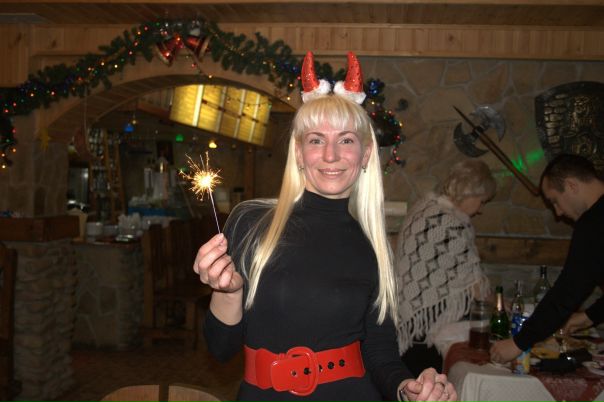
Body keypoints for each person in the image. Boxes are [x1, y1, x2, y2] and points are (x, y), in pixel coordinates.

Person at [193, 51, 457, 402]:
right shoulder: (251, 222)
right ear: (299, 153)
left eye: (346, 140)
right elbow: (220, 349)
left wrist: (405, 388)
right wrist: (228, 292)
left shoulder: (372, 245)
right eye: (316, 140)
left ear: (365, 154)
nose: (331, 155)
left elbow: (379, 351)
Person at [490, 153, 604, 363]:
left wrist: (518, 342)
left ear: (571, 186)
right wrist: (589, 316)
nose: (558, 212)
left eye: (555, 201)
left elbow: (568, 291)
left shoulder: (593, 224)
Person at [395, 159, 495, 376]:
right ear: (470, 193)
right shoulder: (449, 223)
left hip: (415, 319)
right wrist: (496, 306)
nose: (481, 209)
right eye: (481, 201)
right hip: (425, 328)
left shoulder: (426, 208)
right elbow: (475, 285)